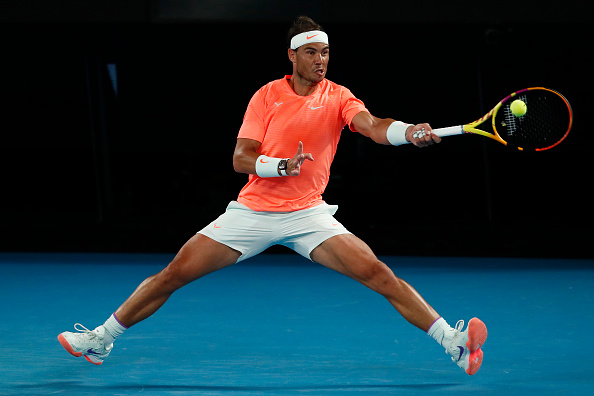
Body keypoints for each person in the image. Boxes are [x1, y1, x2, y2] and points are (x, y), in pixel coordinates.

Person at [58, 16, 487, 375]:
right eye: (312, 52)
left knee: (378, 274)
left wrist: (407, 133)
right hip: (252, 212)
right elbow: (240, 158)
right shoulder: (267, 95)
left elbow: (372, 125)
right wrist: (280, 166)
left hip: (308, 215)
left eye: (326, 52)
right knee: (173, 275)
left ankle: (452, 340)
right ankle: (100, 340)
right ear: (293, 55)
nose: (321, 60)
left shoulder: (338, 96)